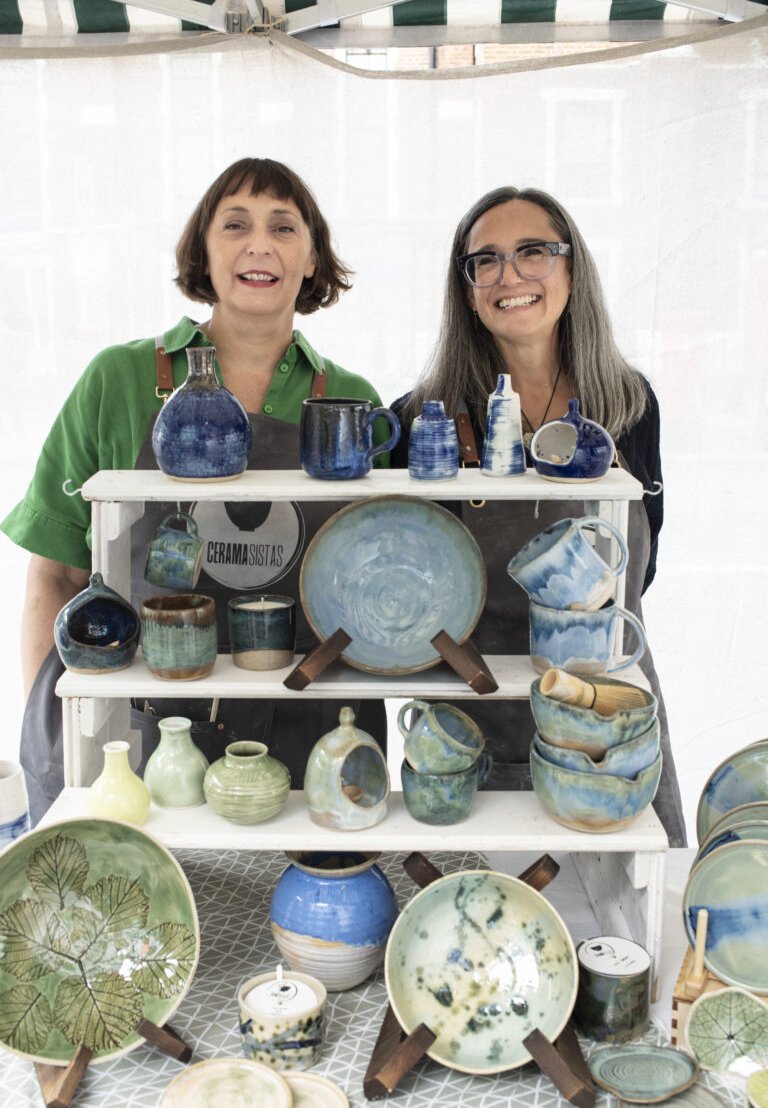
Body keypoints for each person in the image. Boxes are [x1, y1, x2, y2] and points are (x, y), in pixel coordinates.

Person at [3, 158, 388, 822]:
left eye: (283, 227)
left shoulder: (353, 402)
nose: (259, 244)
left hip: (308, 738)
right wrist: (68, 724)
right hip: (134, 733)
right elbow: (56, 576)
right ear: (203, 252)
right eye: (234, 225)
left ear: (312, 258)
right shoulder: (119, 379)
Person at [390, 185, 686, 846]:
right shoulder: (421, 421)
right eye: (486, 260)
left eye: (533, 252)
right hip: (475, 727)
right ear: (467, 290)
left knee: (630, 898)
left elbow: (641, 570)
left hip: (610, 724)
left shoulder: (630, 405)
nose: (510, 276)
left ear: (571, 270)